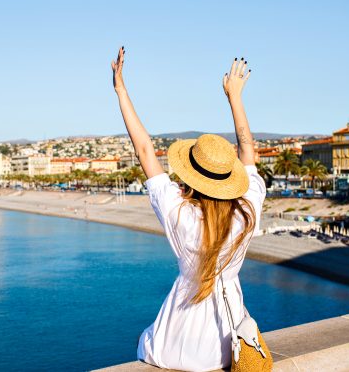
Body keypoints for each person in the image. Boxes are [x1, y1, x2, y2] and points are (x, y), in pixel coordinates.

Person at [111, 46, 266, 371]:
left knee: (144, 341)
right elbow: (248, 151)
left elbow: (143, 149)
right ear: (229, 176)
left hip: (176, 349)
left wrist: (121, 89)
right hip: (227, 348)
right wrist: (235, 97)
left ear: (192, 175)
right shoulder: (247, 211)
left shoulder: (181, 214)